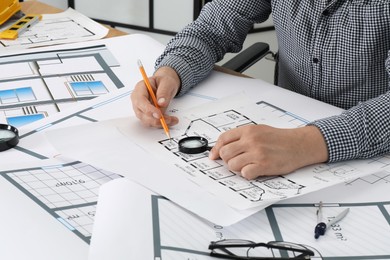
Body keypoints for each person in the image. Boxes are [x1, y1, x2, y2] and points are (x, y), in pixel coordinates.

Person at [131, 0, 390, 180]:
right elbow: (212, 28)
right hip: (279, 123)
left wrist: (306, 144)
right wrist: (171, 71)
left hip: (369, 150)